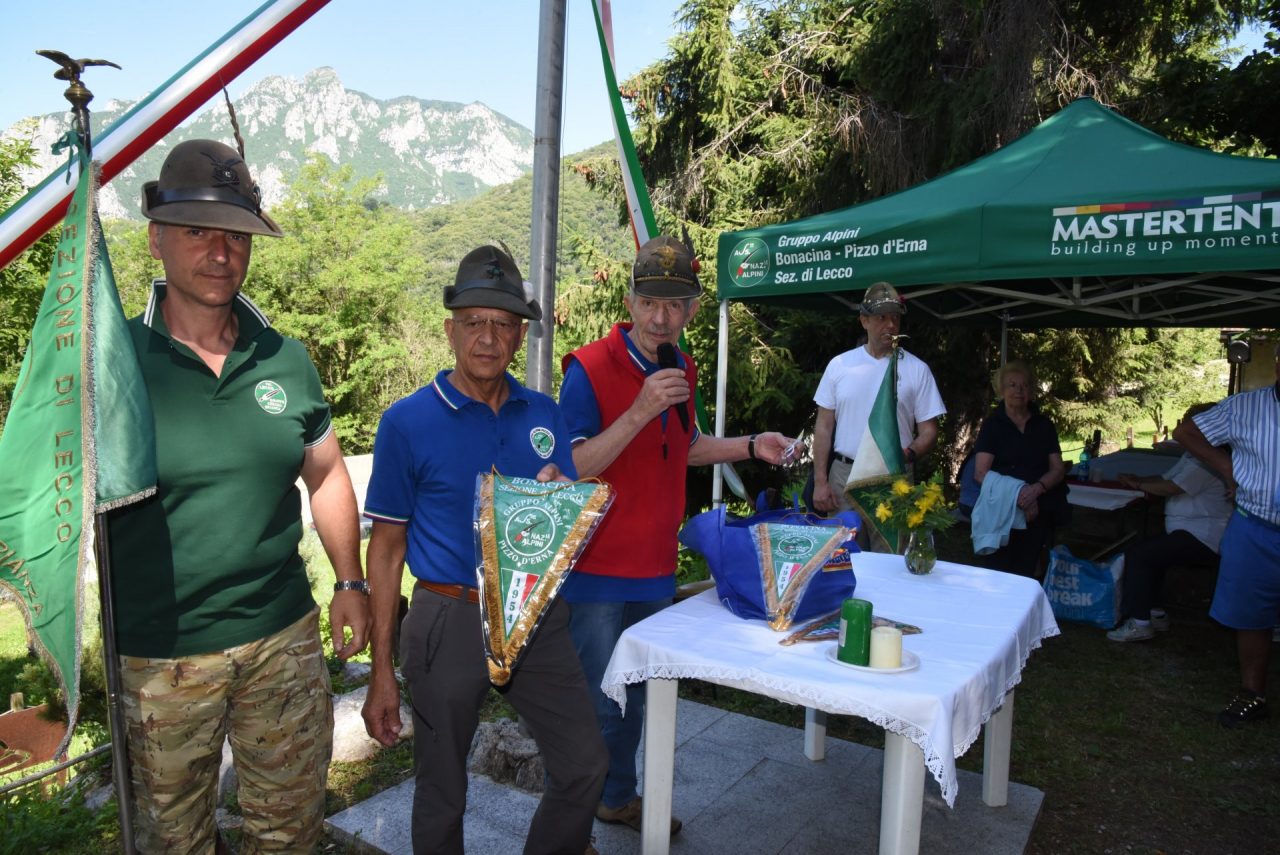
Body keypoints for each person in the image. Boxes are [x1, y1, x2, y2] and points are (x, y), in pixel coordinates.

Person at [109, 139, 369, 853]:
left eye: (236, 235)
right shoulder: (113, 365)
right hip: (160, 656)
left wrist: (350, 581)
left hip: (282, 639)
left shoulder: (285, 358)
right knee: (173, 841)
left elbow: (326, 473)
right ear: (157, 238)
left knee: (291, 831)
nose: (220, 252)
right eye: (198, 230)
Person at [360, 245, 607, 854]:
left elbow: (557, 519)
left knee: (585, 764)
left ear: (521, 335)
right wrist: (381, 672)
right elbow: (386, 550)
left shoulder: (544, 413)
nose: (488, 338)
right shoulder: (407, 422)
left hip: (536, 617)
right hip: (448, 616)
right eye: (474, 321)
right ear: (450, 331)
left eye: (503, 323)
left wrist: (560, 497)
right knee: (442, 790)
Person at [558, 234, 799, 833]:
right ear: (630, 303)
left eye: (674, 305)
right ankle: (569, 827)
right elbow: (574, 466)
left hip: (654, 565)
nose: (661, 319)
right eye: (650, 304)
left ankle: (617, 797)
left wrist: (751, 446)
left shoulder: (680, 366)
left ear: (690, 311)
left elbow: (685, 446)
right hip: (595, 567)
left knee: (638, 696)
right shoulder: (587, 368)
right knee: (594, 701)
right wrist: (639, 410)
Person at [1174, 343, 1280, 728]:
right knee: (1250, 615)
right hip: (1256, 528)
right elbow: (1187, 431)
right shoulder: (1245, 407)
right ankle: (1253, 694)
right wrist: (1226, 466)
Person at [810, 282, 945, 519]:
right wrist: (820, 481)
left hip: (893, 476)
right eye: (882, 317)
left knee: (891, 544)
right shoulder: (839, 365)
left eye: (895, 318)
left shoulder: (917, 369)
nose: (891, 325)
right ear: (864, 321)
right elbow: (823, 427)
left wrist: (909, 453)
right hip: (844, 475)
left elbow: (929, 431)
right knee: (844, 544)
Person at [1107, 404, 1232, 642]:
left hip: (1204, 537)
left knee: (1140, 555)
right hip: (1187, 531)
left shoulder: (1211, 458)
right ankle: (1155, 613)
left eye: (1188, 423)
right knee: (1150, 552)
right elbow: (1166, 477)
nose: (1183, 427)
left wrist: (1139, 485)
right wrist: (1139, 479)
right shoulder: (1194, 454)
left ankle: (1140, 622)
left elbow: (1172, 487)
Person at [971, 360, 1068, 577]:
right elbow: (980, 474)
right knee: (998, 574)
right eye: (1012, 385)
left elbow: (1057, 469)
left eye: (1024, 385)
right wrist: (1019, 493)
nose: (1019, 391)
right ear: (1001, 390)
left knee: (1026, 572)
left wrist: (1036, 490)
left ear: (1031, 390)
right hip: (1001, 510)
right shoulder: (992, 426)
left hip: (1038, 508)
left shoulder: (1044, 425)